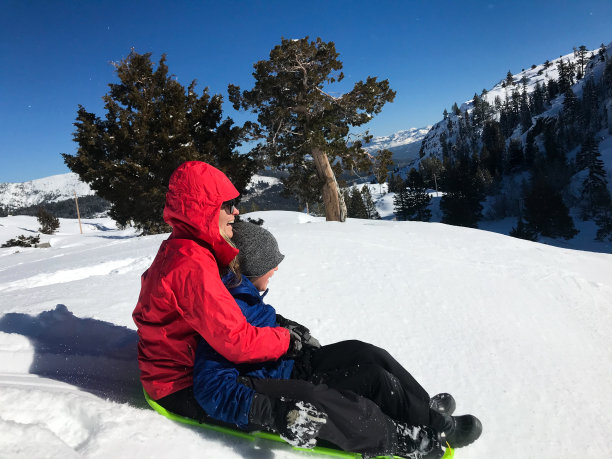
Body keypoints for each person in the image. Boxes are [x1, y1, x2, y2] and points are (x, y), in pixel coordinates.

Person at [192, 220, 483, 458]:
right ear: (251, 268)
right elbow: (211, 387)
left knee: (364, 352)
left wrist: (289, 330)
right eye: (270, 264)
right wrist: (267, 410)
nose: (276, 268)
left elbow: (258, 324)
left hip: (290, 363)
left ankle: (420, 406)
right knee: (371, 379)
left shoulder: (242, 294)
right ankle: (430, 430)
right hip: (277, 383)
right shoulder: (221, 313)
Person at [133, 161, 303, 425]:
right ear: (202, 210)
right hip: (182, 386)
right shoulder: (191, 264)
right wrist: (285, 340)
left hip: (176, 372)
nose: (235, 211)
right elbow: (236, 341)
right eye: (226, 205)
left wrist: (279, 326)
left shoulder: (182, 249)